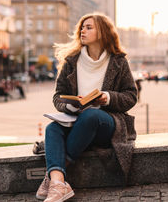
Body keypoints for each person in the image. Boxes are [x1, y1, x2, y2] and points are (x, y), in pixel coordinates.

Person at [36, 13, 138, 202]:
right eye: (82, 27)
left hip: (107, 123)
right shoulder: (71, 62)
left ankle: (50, 178)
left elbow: (131, 96)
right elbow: (58, 97)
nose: (83, 30)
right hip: (76, 120)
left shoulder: (118, 61)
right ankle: (58, 183)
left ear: (103, 32)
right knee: (52, 128)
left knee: (91, 115)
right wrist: (71, 104)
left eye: (89, 27)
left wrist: (106, 97)